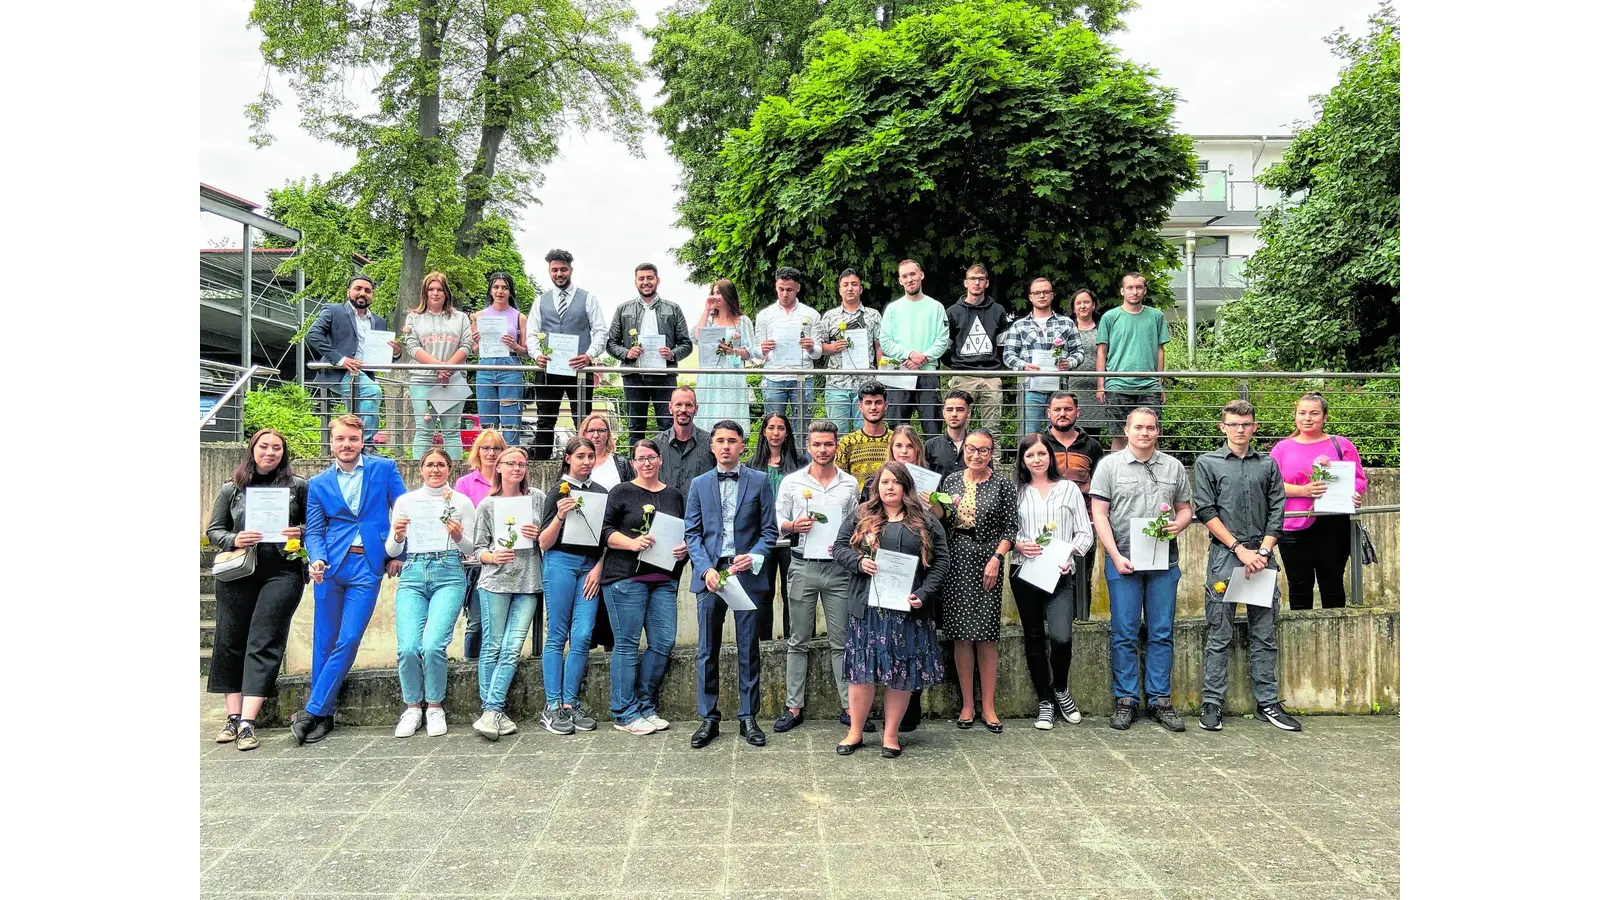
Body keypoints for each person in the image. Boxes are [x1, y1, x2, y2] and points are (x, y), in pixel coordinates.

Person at [291, 415, 408, 745]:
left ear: (362, 440)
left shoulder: (383, 469)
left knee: (350, 637)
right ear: (332, 441)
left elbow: (403, 510)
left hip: (367, 564)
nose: (347, 445)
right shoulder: (318, 483)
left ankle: (312, 710)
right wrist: (315, 558)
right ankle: (324, 716)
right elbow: (314, 530)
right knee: (324, 640)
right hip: (329, 567)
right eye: (341, 439)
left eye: (353, 439)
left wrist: (401, 553)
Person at [1194, 400, 1301, 733]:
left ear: (1254, 427)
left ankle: (1267, 703)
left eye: (1246, 424)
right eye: (1234, 424)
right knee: (1219, 633)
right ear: (1222, 427)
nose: (1240, 429)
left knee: (1264, 633)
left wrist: (1264, 552)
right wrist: (1239, 549)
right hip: (1227, 556)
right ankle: (1212, 703)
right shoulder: (1206, 463)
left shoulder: (1267, 465)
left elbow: (1277, 511)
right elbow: (1205, 511)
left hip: (1262, 557)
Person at [832, 462, 950, 757]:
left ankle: (891, 734)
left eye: (896, 482)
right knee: (861, 672)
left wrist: (924, 593)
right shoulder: (862, 515)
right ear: (877, 486)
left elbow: (942, 562)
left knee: (901, 672)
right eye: (885, 482)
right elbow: (840, 548)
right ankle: (855, 731)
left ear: (906, 486)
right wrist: (859, 563)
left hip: (908, 610)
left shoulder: (924, 519)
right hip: (868, 609)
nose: (889, 487)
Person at [1088, 407, 1193, 732]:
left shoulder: (1173, 467)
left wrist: (1179, 524)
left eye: (1150, 428)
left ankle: (1161, 700)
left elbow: (1186, 508)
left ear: (1157, 431)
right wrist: (1115, 556)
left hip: (1164, 563)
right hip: (1124, 563)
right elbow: (1100, 514)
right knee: (1124, 634)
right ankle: (1126, 700)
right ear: (1127, 430)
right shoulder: (1109, 466)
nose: (1144, 433)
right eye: (1138, 428)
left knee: (1162, 633)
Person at [206, 429, 308, 752]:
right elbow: (214, 530)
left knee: (264, 640)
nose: (270, 452)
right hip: (238, 572)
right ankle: (232, 717)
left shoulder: (298, 487)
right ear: (252, 450)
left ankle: (248, 722)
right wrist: (234, 539)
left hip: (282, 571)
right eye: (264, 446)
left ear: (284, 453)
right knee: (230, 640)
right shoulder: (231, 488)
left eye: (277, 448)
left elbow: (316, 525)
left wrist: (300, 530)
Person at [684, 420, 780, 749]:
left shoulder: (759, 481)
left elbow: (770, 532)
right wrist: (705, 567)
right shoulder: (698, 484)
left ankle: (748, 716)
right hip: (711, 576)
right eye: (720, 440)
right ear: (711, 446)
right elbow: (692, 533)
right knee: (707, 649)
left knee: (748, 648)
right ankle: (709, 717)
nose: (726, 446)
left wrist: (753, 557)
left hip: (746, 575)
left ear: (743, 446)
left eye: (733, 441)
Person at [774, 421, 861, 735]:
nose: (823, 450)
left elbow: (856, 523)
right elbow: (777, 519)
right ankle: (793, 706)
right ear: (807, 446)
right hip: (803, 565)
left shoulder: (849, 483)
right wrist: (792, 526)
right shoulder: (792, 482)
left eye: (828, 444)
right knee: (798, 640)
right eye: (817, 445)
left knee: (842, 641)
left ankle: (849, 707)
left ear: (836, 446)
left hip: (839, 570)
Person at [384, 448, 476, 738]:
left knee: (434, 644)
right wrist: (398, 535)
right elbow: (392, 550)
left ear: (449, 469)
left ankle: (434, 705)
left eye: (441, 465)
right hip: (413, 571)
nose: (435, 470)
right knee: (409, 646)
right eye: (429, 465)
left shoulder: (461, 501)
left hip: (448, 571)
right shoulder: (406, 501)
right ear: (421, 469)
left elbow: (472, 550)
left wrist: (459, 535)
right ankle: (412, 706)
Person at [599, 439, 689, 734]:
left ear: (660, 460)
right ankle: (624, 712)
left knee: (663, 642)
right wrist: (631, 542)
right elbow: (604, 532)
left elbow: (685, 531)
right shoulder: (621, 491)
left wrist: (684, 548)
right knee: (626, 645)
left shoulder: (675, 495)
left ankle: (644, 705)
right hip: (625, 579)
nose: (646, 463)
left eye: (651, 457)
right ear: (633, 463)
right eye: (640, 458)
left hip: (663, 579)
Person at [932, 428, 1017, 733]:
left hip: (988, 560)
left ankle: (989, 706)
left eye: (983, 450)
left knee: (987, 633)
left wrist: (997, 558)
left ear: (992, 452)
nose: (976, 455)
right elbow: (940, 518)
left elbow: (1011, 528)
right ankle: (967, 704)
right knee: (961, 634)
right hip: (956, 559)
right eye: (970, 449)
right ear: (963, 450)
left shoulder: (1003, 485)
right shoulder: (951, 481)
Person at [1011, 433, 1093, 730]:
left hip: (1059, 573)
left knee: (1061, 636)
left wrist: (1070, 550)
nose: (1036, 460)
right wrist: (1019, 544)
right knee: (1033, 637)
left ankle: (1060, 689)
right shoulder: (1016, 491)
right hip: (1025, 571)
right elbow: (1008, 530)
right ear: (1022, 459)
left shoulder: (1069, 489)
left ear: (1051, 456)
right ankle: (1044, 701)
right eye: (1030, 455)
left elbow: (1085, 532)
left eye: (1042, 454)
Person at [469, 445, 547, 740]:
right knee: (493, 645)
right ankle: (494, 711)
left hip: (528, 581)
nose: (517, 468)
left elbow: (549, 539)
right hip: (495, 582)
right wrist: (493, 556)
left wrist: (538, 535)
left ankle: (491, 712)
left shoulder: (536, 498)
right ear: (498, 467)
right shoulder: (487, 505)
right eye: (511, 463)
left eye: (522, 464)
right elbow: (478, 550)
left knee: (513, 646)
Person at [537, 436, 610, 735]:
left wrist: (598, 569)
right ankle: (552, 705)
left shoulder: (601, 492)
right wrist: (560, 516)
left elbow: (606, 538)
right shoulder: (557, 491)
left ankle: (571, 702)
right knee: (557, 634)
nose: (586, 461)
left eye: (590, 456)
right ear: (568, 458)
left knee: (581, 636)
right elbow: (543, 542)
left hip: (589, 568)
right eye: (580, 456)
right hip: (560, 563)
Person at [1270, 392, 1368, 610]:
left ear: (1324, 417)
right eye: (1302, 413)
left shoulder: (1341, 444)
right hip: (1293, 524)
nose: (1307, 418)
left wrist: (1354, 494)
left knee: (1332, 582)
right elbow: (1271, 486)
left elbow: (1358, 479)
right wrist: (1303, 490)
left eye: (1314, 413)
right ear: (1295, 416)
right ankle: (1301, 638)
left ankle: (1336, 637)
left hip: (1333, 522)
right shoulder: (1282, 448)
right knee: (1298, 585)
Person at [528, 249, 609, 461]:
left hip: (579, 370)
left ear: (571, 270)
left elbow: (601, 331)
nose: (559, 274)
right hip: (548, 369)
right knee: (545, 420)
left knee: (583, 420)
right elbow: (531, 334)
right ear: (549, 271)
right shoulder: (540, 301)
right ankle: (541, 464)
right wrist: (537, 354)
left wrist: (589, 355)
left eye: (563, 269)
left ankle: (589, 461)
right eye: (554, 270)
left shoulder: (588, 299)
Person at [304, 275, 400, 442]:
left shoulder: (379, 321)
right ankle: (366, 443)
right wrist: (340, 359)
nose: (362, 293)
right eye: (358, 289)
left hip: (364, 375)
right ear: (348, 291)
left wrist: (395, 353)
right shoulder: (333, 311)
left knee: (355, 414)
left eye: (367, 291)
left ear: (372, 295)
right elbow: (313, 334)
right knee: (372, 392)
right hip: (340, 372)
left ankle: (352, 444)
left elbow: (383, 357)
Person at [605, 263, 692, 443]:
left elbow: (687, 344)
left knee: (668, 425)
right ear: (635, 282)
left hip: (664, 375)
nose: (646, 282)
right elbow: (611, 343)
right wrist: (627, 353)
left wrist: (673, 354)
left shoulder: (673, 309)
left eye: (650, 278)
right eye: (641, 279)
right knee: (635, 427)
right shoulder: (623, 309)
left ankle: (668, 467)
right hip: (634, 375)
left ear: (658, 280)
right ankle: (635, 468)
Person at [1039, 391, 1105, 620]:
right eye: (1057, 409)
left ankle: (1081, 624)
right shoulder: (1039, 444)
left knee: (1081, 579)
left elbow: (1101, 485)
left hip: (1083, 524)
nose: (1062, 414)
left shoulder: (1093, 446)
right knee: (1047, 579)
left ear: (1078, 412)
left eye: (1067, 409)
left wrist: (1082, 491)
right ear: (1048, 413)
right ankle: (1050, 628)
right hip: (1046, 524)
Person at [401, 271, 473, 460]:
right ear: (424, 293)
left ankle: (455, 474)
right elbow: (412, 347)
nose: (435, 293)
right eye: (431, 289)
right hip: (422, 379)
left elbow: (466, 346)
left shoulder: (461, 318)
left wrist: (448, 368)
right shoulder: (413, 318)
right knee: (424, 429)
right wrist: (439, 366)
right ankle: (419, 474)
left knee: (451, 430)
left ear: (446, 292)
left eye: (439, 289)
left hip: (453, 379)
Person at [452, 429, 509, 660]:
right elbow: (458, 520)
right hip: (475, 561)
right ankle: (470, 663)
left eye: (496, 448)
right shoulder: (465, 483)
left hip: (505, 558)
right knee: (476, 620)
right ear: (477, 451)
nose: (491, 453)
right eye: (486, 448)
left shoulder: (510, 480)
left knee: (499, 622)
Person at [1001, 277, 1083, 437]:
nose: (1042, 296)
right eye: (1037, 293)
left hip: (1060, 388)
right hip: (1031, 388)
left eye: (1046, 292)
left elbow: (1079, 352)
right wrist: (1024, 366)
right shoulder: (1019, 325)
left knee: (1060, 434)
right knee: (1031, 436)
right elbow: (1008, 355)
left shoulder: (1067, 323)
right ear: (1031, 297)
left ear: (1052, 295)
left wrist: (1069, 363)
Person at [1095, 273, 1168, 450]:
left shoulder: (1156, 316)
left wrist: (1160, 383)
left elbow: (1160, 351)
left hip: (1149, 386)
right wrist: (1100, 384)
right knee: (1119, 436)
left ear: (1145, 290)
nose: (1134, 291)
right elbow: (1101, 351)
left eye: (1139, 287)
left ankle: (1153, 477)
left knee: (1151, 436)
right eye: (1130, 287)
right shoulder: (1110, 317)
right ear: (1122, 290)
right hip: (1117, 385)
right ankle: (1117, 477)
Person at [751, 412, 807, 641]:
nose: (775, 433)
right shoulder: (752, 465)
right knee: (763, 592)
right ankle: (763, 643)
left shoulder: (800, 464)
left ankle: (793, 641)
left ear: (787, 433)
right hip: (762, 537)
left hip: (792, 536)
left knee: (792, 592)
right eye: (771, 427)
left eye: (781, 428)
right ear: (763, 431)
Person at [878, 259, 950, 436]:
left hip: (928, 374)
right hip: (899, 373)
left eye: (912, 274)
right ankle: (897, 465)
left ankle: (934, 464)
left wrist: (923, 358)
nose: (909, 279)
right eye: (904, 276)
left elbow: (942, 340)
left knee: (933, 428)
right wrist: (909, 354)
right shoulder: (893, 309)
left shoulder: (936, 308)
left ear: (921, 275)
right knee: (897, 430)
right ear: (900, 281)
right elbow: (885, 341)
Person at [751, 266, 822, 436]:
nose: (784, 294)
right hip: (774, 377)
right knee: (774, 428)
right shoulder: (765, 315)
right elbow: (756, 352)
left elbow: (818, 353)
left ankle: (803, 461)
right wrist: (763, 349)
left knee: (804, 427)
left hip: (802, 376)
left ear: (797, 288)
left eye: (789, 289)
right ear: (775, 287)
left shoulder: (811, 314)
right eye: (781, 289)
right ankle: (776, 461)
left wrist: (811, 347)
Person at [944, 263, 1014, 428]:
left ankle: (993, 456)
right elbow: (945, 348)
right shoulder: (952, 312)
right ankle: (959, 455)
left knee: (992, 428)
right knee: (958, 427)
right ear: (965, 282)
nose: (977, 283)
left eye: (981, 279)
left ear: (987, 283)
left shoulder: (998, 311)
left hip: (991, 377)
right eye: (973, 279)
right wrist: (958, 363)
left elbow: (1003, 346)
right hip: (962, 376)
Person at [817, 268, 882, 432]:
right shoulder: (830, 316)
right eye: (845, 285)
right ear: (840, 290)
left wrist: (880, 374)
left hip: (866, 384)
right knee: (837, 435)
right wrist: (832, 347)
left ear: (861, 288)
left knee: (866, 433)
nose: (850, 288)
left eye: (854, 284)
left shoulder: (873, 315)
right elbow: (819, 348)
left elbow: (879, 346)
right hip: (837, 384)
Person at [470, 271, 531, 445]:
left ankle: (511, 458)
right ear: (490, 291)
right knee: (487, 419)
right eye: (496, 287)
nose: (500, 291)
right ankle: (488, 459)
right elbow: (474, 351)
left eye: (504, 288)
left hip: (510, 366)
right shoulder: (478, 316)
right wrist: (477, 342)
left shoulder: (520, 317)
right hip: (486, 367)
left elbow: (526, 352)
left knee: (510, 419)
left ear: (510, 292)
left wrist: (515, 346)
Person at [691, 279, 757, 432]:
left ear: (728, 295)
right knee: (708, 422)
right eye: (713, 293)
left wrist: (733, 351)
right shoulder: (708, 320)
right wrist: (707, 309)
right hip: (710, 376)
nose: (715, 296)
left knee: (730, 419)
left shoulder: (742, 321)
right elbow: (697, 337)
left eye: (719, 293)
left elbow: (750, 352)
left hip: (732, 375)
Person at [654, 386, 717, 499]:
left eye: (688, 405)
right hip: (666, 513)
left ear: (696, 409)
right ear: (670, 408)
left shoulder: (711, 443)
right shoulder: (656, 446)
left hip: (701, 513)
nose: (683, 409)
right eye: (678, 404)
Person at [1064, 288, 1111, 438]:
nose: (1082, 306)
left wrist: (1102, 384)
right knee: (1071, 433)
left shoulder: (1102, 331)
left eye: (1086, 302)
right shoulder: (1066, 331)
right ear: (1073, 308)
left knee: (1093, 435)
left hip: (1096, 390)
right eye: (1078, 303)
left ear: (1094, 305)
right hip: (1072, 389)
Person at [835, 381, 893, 486]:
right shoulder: (847, 443)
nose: (873, 407)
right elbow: (839, 481)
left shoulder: (896, 441)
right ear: (860, 406)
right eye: (868, 403)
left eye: (878, 402)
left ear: (886, 405)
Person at [923, 390, 973, 478]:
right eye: (949, 410)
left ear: (968, 412)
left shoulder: (978, 445)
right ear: (943, 413)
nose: (954, 414)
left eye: (960, 410)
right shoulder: (931, 446)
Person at [580, 413, 635, 491]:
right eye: (591, 431)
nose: (596, 435)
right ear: (584, 433)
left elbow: (632, 493)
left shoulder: (621, 462)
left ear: (608, 434)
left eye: (601, 431)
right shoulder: (573, 462)